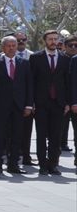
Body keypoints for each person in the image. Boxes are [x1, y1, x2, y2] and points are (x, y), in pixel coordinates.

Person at [28, 29, 71, 176]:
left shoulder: (65, 59)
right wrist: (31, 102)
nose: (53, 42)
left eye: (55, 39)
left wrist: (67, 102)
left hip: (58, 103)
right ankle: (42, 165)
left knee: (56, 136)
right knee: (41, 135)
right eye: (50, 39)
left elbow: (68, 83)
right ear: (44, 41)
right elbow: (31, 82)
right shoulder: (35, 58)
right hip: (41, 103)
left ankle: (53, 164)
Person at [0, 35, 33, 175]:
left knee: (17, 136)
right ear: (3, 47)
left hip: (19, 106)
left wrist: (28, 105)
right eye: (8, 45)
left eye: (13, 45)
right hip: (1, 106)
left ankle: (13, 164)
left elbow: (29, 86)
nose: (11, 48)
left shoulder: (25, 63)